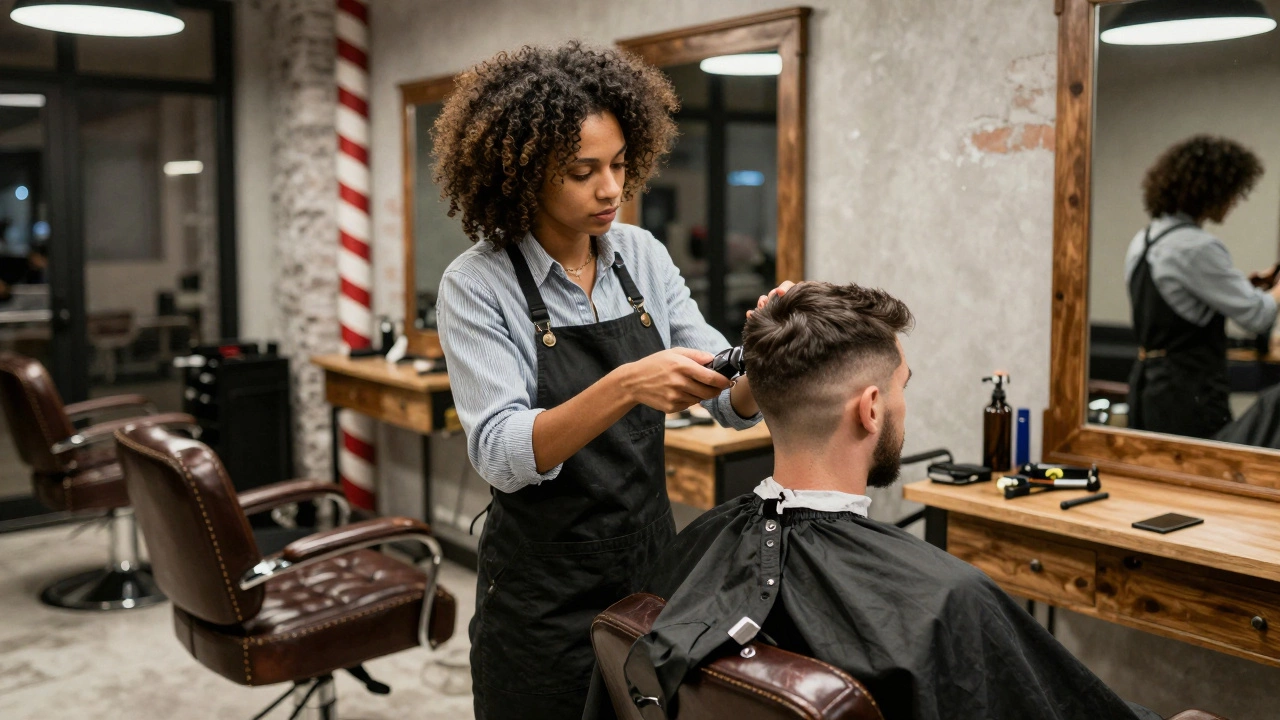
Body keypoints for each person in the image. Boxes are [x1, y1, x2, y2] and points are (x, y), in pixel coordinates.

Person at [587, 281, 1163, 720]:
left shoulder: (689, 556)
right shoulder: (950, 600)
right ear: (869, 408)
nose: (901, 407)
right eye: (900, 388)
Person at [432, 42, 782, 719]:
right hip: (541, 593)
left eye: (620, 164)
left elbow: (727, 403)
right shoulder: (477, 284)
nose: (611, 189)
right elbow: (504, 455)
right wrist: (625, 385)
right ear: (523, 174)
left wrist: (759, 359)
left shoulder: (641, 255)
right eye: (581, 171)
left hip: (649, 569)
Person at [1126, 135, 1280, 439]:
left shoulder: (1144, 240)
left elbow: (1178, 304)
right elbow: (1258, 317)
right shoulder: (1197, 247)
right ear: (1211, 190)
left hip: (1146, 386)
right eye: (1233, 193)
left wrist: (1243, 288)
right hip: (1187, 394)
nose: (1235, 202)